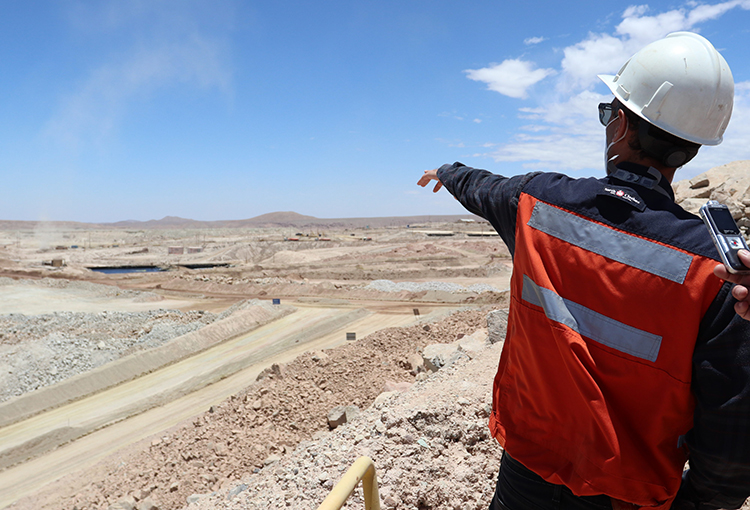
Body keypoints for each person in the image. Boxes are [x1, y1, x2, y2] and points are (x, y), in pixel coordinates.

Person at [418, 32, 750, 510]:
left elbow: (484, 188)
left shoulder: (537, 203)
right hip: (630, 492)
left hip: (529, 466)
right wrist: (699, 501)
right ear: (692, 148)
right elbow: (731, 418)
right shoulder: (717, 271)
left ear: (620, 124)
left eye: (606, 112)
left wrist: (448, 172)